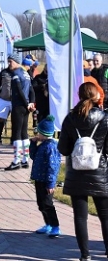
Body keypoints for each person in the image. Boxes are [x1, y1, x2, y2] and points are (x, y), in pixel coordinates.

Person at [58, 82, 108, 261]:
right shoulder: (104, 118)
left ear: (79, 96)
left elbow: (63, 149)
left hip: (76, 172)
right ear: (96, 96)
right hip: (99, 171)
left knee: (80, 217)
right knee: (105, 215)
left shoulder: (70, 118)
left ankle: (85, 255)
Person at [29, 115, 61, 238]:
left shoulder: (51, 147)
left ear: (43, 134)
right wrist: (33, 144)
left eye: (39, 133)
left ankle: (55, 226)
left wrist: (51, 183)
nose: (37, 135)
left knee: (48, 204)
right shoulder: (42, 145)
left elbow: (53, 167)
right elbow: (33, 156)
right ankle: (47, 224)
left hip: (47, 181)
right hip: (38, 178)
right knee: (41, 203)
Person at [4, 52, 35, 171]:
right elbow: (31, 90)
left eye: (10, 61)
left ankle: (16, 160)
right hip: (26, 107)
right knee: (24, 132)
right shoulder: (26, 74)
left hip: (19, 106)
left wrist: (27, 103)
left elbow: (19, 91)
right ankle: (25, 159)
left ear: (16, 62)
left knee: (16, 132)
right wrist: (31, 102)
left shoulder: (16, 74)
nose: (9, 64)